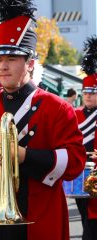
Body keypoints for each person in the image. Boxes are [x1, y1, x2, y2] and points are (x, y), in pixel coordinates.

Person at [0, 1, 86, 240]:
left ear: (29, 63)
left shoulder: (57, 107)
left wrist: (24, 156)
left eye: (12, 58)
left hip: (41, 216)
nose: (3, 66)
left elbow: (75, 162)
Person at [75, 36, 97, 240]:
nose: (88, 96)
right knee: (84, 216)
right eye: (86, 92)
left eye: (93, 92)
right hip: (81, 172)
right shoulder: (75, 114)